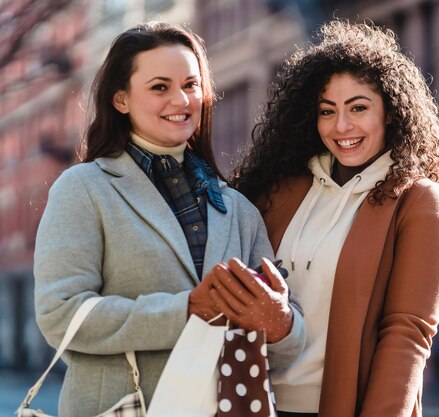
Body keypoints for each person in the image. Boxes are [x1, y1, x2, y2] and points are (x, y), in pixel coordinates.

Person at [33, 21, 305, 416]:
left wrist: (280, 323)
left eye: (191, 85)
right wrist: (187, 310)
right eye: (160, 87)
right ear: (121, 99)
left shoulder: (239, 209)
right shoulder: (83, 189)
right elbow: (60, 316)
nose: (181, 100)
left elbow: (287, 341)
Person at [232, 20, 439, 417]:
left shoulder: (416, 202)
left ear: (391, 113)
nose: (342, 127)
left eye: (358, 108)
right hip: (258, 403)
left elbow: (407, 336)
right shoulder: (281, 191)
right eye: (328, 111)